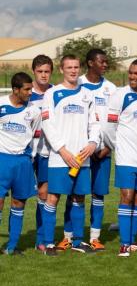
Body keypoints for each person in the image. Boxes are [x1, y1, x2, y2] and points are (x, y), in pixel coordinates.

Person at [41, 54, 100, 256]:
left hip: (82, 158)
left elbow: (95, 123)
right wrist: (62, 150)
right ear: (61, 69)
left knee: (79, 198)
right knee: (53, 198)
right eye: (69, 67)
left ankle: (77, 241)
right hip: (60, 157)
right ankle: (49, 243)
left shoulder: (87, 94)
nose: (73, 71)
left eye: (76, 67)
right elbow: (47, 125)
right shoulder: (52, 94)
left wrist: (93, 143)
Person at [59, 48, 116, 251]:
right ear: (91, 63)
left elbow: (116, 121)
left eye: (106, 62)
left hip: (102, 150)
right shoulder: (78, 84)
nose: (105, 65)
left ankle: (94, 237)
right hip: (80, 152)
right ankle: (68, 236)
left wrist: (108, 146)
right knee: (73, 194)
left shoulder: (111, 88)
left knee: (98, 195)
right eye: (102, 61)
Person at [104, 59, 137, 257]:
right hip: (126, 157)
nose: (133, 77)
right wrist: (118, 146)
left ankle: (133, 241)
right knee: (126, 196)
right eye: (131, 73)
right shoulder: (120, 96)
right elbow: (108, 127)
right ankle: (124, 244)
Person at [0, 72, 40, 255]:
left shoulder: (34, 111)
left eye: (31, 88)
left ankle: (11, 246)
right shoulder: (1, 104)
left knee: (19, 203)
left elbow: (34, 134)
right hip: (2, 160)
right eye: (26, 89)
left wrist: (29, 157)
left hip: (23, 162)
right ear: (15, 90)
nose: (30, 92)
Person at [29, 55, 54, 252]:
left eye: (47, 71)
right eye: (40, 71)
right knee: (17, 197)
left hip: (48, 151)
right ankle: (12, 242)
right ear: (33, 72)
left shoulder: (56, 93)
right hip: (26, 153)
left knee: (44, 194)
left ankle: (42, 239)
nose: (43, 75)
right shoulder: (26, 95)